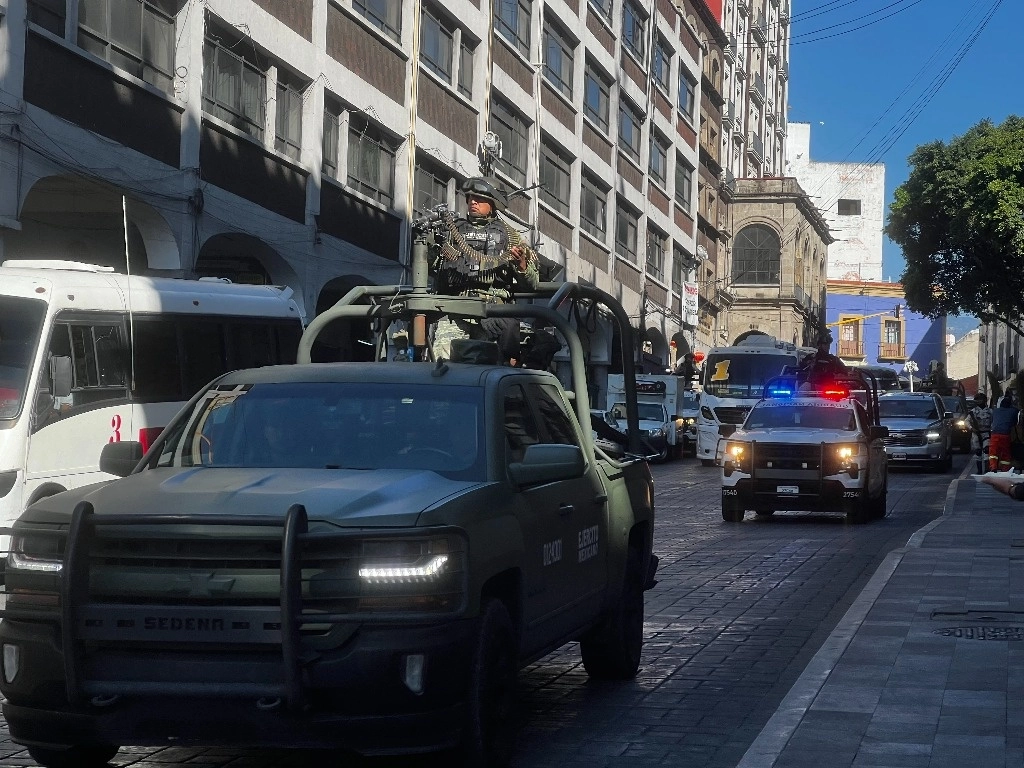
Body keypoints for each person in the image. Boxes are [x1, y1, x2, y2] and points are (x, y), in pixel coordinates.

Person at [430, 177, 540, 363]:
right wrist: (433, 249)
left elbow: (532, 283)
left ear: (493, 203)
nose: (473, 202)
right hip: (455, 310)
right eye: (470, 197)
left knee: (488, 371)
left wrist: (521, 264)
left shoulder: (510, 236)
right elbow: (435, 268)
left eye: (479, 199)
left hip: (492, 315)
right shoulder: (452, 231)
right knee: (442, 366)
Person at [989, 392, 1018, 472]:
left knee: (993, 452)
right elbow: (1015, 423)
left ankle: (993, 467)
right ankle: (1005, 469)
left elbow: (992, 421)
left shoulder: (995, 411)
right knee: (1005, 452)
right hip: (1006, 435)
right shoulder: (1013, 411)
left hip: (995, 434)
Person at [968, 391, 993, 474]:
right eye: (977, 400)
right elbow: (966, 422)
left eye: (980, 400)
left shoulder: (990, 411)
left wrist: (992, 430)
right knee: (978, 452)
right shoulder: (973, 412)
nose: (979, 401)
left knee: (986, 451)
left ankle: (986, 469)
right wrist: (971, 428)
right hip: (976, 434)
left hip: (986, 433)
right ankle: (979, 471)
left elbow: (993, 421)